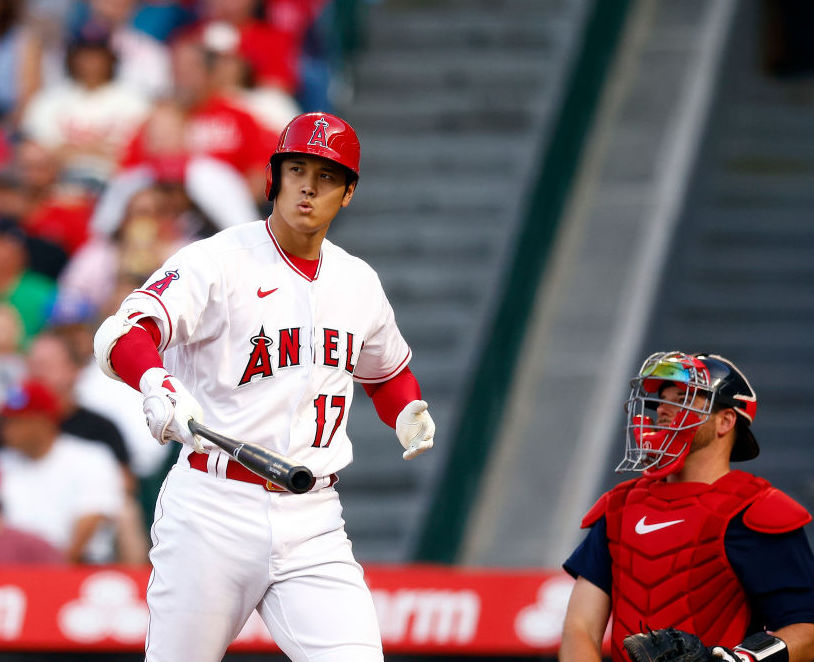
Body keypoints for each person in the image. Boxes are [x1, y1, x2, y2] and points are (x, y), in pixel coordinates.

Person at [93, 111, 436, 661]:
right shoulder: (217, 260)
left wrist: (407, 407)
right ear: (275, 177)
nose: (308, 186)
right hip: (213, 506)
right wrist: (156, 381)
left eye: (326, 176)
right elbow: (123, 332)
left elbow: (387, 371)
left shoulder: (358, 281)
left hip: (313, 517)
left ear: (348, 193)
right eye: (296, 169)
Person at [559, 351, 814, 662]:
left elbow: (808, 631)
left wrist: (733, 660)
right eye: (661, 400)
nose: (662, 410)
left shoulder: (755, 510)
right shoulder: (620, 507)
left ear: (725, 420)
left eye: (682, 399)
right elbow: (580, 627)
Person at [0, 379, 125, 563]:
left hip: (79, 566)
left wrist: (56, 571)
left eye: (17, 422)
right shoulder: (5, 462)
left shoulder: (89, 457)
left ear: (42, 421)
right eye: (6, 422)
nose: (7, 430)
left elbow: (92, 518)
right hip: (14, 567)